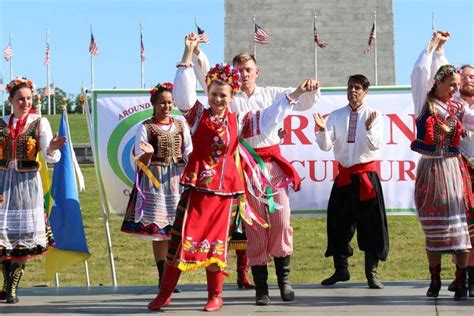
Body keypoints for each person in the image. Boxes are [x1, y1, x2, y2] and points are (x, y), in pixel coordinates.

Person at [147, 33, 317, 312]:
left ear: (231, 96)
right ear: (208, 93)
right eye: (213, 94)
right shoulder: (197, 115)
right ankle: (165, 294)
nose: (217, 99)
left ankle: (215, 295)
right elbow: (183, 97)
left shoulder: (242, 122)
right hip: (197, 189)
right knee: (180, 242)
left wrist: (295, 94)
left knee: (217, 245)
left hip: (225, 192)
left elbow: (272, 115)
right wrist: (187, 55)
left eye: (222, 95)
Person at [193, 49, 320, 305]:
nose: (244, 74)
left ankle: (284, 281)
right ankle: (261, 288)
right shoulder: (230, 98)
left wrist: (311, 89)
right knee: (255, 227)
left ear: (256, 72)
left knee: (282, 220)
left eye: (248, 70)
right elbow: (207, 81)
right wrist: (198, 56)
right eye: (239, 70)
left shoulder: (272, 93)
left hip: (272, 166)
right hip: (245, 168)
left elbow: (303, 102)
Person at [410, 31, 474, 301]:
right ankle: (435, 279)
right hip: (431, 170)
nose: (454, 89)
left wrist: (440, 51)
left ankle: (460, 282)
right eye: (450, 84)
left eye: (456, 85)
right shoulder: (423, 104)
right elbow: (420, 72)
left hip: (453, 170)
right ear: (438, 83)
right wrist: (433, 48)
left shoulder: (459, 108)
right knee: (433, 228)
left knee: (460, 227)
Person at [314, 74, 389, 290]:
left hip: (366, 177)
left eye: (357, 88)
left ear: (365, 92)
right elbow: (326, 146)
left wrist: (367, 127)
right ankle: (341, 270)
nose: (353, 91)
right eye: (350, 87)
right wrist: (321, 129)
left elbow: (374, 146)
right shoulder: (336, 115)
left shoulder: (375, 115)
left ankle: (371, 274)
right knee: (337, 223)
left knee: (372, 226)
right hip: (345, 177)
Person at [120, 82, 192, 292]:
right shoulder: (145, 127)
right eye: (162, 103)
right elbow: (139, 160)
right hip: (155, 181)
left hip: (177, 180)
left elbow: (188, 150)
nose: (166, 107)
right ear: (154, 104)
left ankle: (171, 274)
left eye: (169, 103)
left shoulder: (181, 125)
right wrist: (149, 153)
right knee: (159, 231)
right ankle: (163, 276)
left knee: (175, 230)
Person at [0, 77, 66, 304]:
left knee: (23, 236)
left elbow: (49, 155)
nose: (25, 102)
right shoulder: (1, 123)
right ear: (11, 100)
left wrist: (52, 148)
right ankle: (6, 285)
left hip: (27, 184)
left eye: (28, 98)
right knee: (3, 236)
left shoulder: (39, 122)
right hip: (2, 184)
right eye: (21, 99)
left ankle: (12, 289)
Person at [446, 64, 474, 297]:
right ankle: (462, 276)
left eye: (473, 77)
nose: (469, 80)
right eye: (464, 77)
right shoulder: (453, 106)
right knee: (461, 225)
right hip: (460, 171)